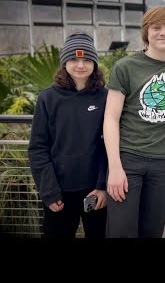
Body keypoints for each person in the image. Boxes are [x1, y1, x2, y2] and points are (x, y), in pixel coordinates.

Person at [104, 6, 165, 238]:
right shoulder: (126, 67)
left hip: (163, 162)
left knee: (152, 229)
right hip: (128, 159)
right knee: (121, 230)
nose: (163, 33)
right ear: (146, 33)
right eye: (156, 27)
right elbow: (110, 117)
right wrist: (115, 168)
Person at [28, 32, 108, 238]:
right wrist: (49, 192)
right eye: (73, 59)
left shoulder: (105, 97)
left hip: (95, 192)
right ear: (65, 63)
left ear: (95, 64)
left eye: (87, 59)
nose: (80, 65)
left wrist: (102, 186)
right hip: (60, 193)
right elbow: (38, 148)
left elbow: (110, 146)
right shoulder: (48, 98)